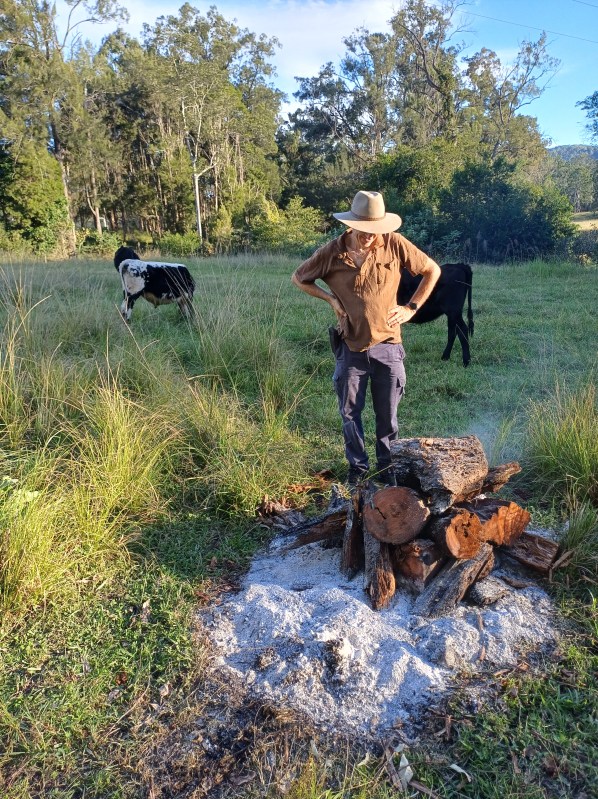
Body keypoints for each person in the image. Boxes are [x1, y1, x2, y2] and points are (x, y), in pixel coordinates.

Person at [291, 190, 441, 487]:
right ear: (352, 224)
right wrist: (331, 299)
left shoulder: (395, 244)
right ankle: (358, 471)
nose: (370, 237)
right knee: (350, 413)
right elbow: (299, 278)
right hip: (351, 347)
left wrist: (411, 308)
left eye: (376, 231)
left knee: (388, 419)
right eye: (365, 231)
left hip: (388, 347)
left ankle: (388, 472)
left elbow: (431, 270)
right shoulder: (331, 252)